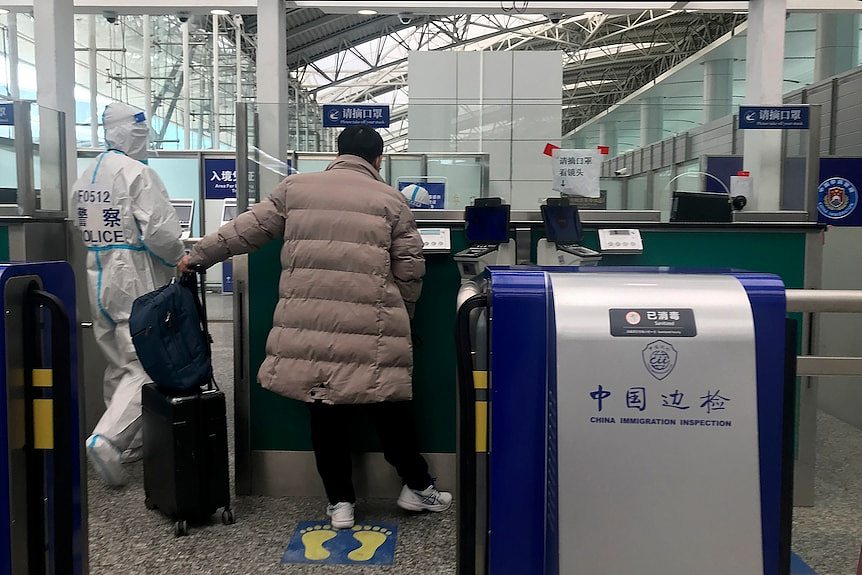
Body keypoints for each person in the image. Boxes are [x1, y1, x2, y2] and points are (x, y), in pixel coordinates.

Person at [179, 125, 452, 529]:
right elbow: (409, 268)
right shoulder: (392, 200)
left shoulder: (295, 189)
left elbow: (244, 231)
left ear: (337, 152)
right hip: (373, 324)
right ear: (378, 160)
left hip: (311, 327)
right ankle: (416, 486)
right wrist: (403, 314)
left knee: (325, 412)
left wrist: (196, 257)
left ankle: (340, 503)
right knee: (389, 409)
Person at [71, 103, 185, 486]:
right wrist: (181, 259)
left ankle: (131, 442)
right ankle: (110, 439)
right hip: (134, 276)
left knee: (118, 359)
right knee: (146, 361)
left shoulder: (86, 175)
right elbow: (162, 233)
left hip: (97, 274)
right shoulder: (139, 174)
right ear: (133, 133)